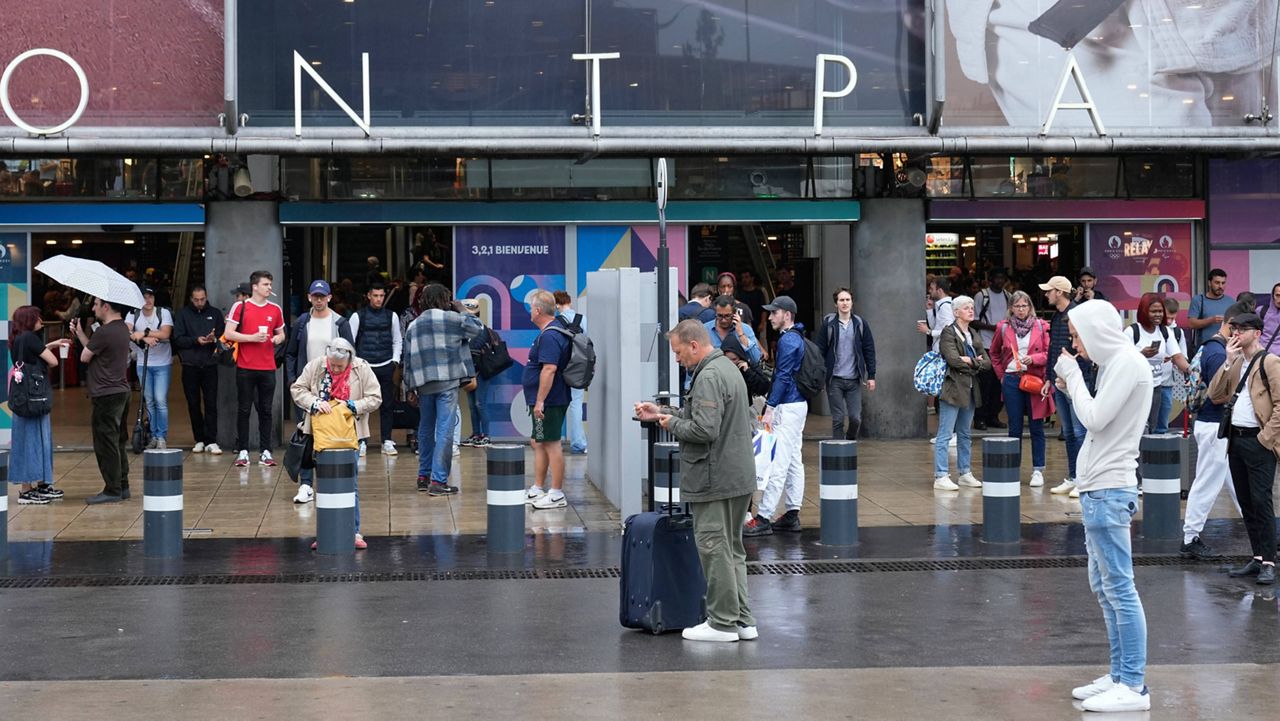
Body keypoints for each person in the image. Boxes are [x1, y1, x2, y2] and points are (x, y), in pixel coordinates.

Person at [1056, 299, 1154, 713]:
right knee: (1106, 587)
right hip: (1101, 490)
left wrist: (1074, 379)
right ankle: (1119, 676)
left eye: (1077, 335)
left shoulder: (1128, 363)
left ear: (1095, 330)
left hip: (1109, 491)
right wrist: (1075, 381)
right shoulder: (1119, 364)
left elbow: (1094, 418)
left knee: (1119, 588)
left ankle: (1132, 684)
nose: (1076, 344)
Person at [635, 319, 757, 643]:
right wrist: (661, 410)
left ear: (693, 345)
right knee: (732, 549)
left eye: (677, 352)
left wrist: (670, 423)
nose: (676, 359)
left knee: (714, 548)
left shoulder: (708, 376)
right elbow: (706, 417)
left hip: (714, 478)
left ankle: (722, 623)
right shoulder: (727, 370)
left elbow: (704, 430)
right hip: (737, 476)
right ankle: (742, 620)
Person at [1208, 311, 1280, 586]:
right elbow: (1215, 395)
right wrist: (1227, 362)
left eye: (1242, 329)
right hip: (1235, 440)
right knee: (1246, 502)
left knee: (1261, 502)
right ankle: (1258, 557)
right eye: (1234, 328)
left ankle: (1270, 562)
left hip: (1258, 441)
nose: (1236, 333)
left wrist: (1266, 439)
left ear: (1257, 333)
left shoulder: (1271, 363)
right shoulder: (1237, 360)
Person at [290, 338, 381, 550]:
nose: (336, 369)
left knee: (351, 483)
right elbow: (298, 389)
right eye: (333, 365)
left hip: (351, 435)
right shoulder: (316, 366)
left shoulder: (361, 368)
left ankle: (353, 531)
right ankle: (327, 532)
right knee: (324, 484)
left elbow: (375, 398)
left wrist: (353, 405)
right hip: (321, 436)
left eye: (340, 366)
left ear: (350, 359)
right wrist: (314, 402)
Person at [403, 283, 482, 496]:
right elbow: (477, 328)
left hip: (424, 384)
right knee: (445, 429)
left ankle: (423, 476)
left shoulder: (414, 325)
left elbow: (407, 360)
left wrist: (409, 387)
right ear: (444, 300)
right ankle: (438, 481)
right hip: (447, 382)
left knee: (426, 428)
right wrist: (462, 309)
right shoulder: (453, 319)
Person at [1181, 305, 1244, 560]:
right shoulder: (1219, 354)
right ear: (1231, 326)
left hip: (1214, 425)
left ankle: (1262, 532)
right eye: (1243, 329)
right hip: (1216, 426)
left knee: (1241, 484)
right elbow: (1219, 396)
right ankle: (1189, 538)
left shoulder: (1210, 347)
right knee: (1207, 482)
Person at [744, 295, 809, 536]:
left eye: (774, 312)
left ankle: (763, 517)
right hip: (796, 405)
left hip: (788, 406)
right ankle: (792, 513)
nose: (770, 317)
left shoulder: (788, 341)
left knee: (780, 462)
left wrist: (770, 408)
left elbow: (782, 376)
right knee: (793, 459)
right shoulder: (795, 338)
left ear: (787, 315)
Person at [72, 298, 133, 504]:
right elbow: (95, 350)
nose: (93, 308)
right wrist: (80, 333)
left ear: (106, 307)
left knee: (105, 443)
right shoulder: (123, 328)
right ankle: (123, 485)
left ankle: (112, 489)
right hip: (121, 390)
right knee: (118, 441)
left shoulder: (104, 332)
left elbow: (85, 357)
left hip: (106, 394)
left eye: (96, 304)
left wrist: (82, 335)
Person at [988, 291, 1052, 487]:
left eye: (1024, 306)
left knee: (1036, 427)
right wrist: (1001, 376)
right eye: (1017, 306)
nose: (1021, 310)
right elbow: (994, 353)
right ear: (1011, 308)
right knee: (1014, 426)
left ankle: (1038, 470)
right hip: (1012, 380)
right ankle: (1013, 468)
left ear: (1030, 306)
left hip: (1034, 379)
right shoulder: (1003, 327)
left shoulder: (1041, 326)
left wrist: (1034, 359)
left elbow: (1050, 353)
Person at [225, 271, 287, 468]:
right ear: (255, 287)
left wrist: (278, 338)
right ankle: (243, 451)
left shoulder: (275, 309)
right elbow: (228, 333)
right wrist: (251, 338)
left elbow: (281, 333)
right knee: (244, 409)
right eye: (266, 284)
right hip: (245, 366)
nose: (270, 287)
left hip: (268, 367)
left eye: (270, 284)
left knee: (266, 410)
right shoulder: (240, 306)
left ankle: (265, 451)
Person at [8, 306, 69, 504]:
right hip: (35, 398)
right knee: (37, 440)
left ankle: (39, 485)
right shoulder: (31, 338)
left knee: (28, 440)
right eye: (37, 317)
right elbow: (52, 362)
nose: (41, 319)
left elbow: (32, 355)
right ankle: (28, 490)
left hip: (23, 398)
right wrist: (51, 349)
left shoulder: (18, 339)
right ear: (29, 320)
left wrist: (51, 344)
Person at [1040, 276, 1094, 498]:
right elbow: (1053, 349)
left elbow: (1085, 350)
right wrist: (1049, 378)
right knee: (1070, 432)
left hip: (1077, 381)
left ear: (1059, 292)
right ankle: (1073, 476)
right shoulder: (1056, 317)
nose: (1046, 295)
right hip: (1060, 381)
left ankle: (1083, 478)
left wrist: (1070, 374)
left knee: (1080, 432)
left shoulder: (1078, 314)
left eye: (1049, 291)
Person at [931, 295, 992, 491]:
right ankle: (941, 475)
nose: (971, 310)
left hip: (970, 389)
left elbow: (987, 363)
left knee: (965, 433)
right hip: (952, 389)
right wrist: (974, 361)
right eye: (966, 308)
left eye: (971, 307)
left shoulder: (973, 333)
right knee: (945, 433)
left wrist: (970, 361)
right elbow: (953, 360)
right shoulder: (949, 333)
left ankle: (965, 472)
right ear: (956, 312)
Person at [521, 290, 573, 509]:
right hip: (545, 400)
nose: (530, 312)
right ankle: (538, 488)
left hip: (550, 401)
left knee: (551, 444)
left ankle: (557, 493)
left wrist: (540, 401)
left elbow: (549, 369)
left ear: (538, 310)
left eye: (532, 308)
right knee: (540, 441)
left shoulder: (551, 335)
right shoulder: (550, 332)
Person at [347, 282, 402, 456]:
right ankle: (361, 441)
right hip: (364, 366)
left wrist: (395, 360)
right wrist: (355, 363)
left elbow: (397, 339)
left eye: (381, 296)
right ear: (369, 296)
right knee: (362, 406)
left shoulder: (391, 316)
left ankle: (387, 440)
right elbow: (350, 341)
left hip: (386, 364)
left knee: (387, 405)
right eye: (375, 295)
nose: (379, 299)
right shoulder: (358, 316)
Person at [814, 287, 876, 441]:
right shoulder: (829, 324)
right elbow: (819, 351)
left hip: (854, 379)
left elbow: (869, 350)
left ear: (852, 302)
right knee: (838, 419)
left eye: (847, 299)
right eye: (841, 300)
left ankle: (848, 441)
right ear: (836, 304)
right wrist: (819, 375)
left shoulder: (860, 324)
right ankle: (838, 453)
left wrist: (871, 375)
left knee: (855, 418)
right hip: (834, 379)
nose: (845, 303)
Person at [172, 286, 223, 454]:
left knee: (211, 403)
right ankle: (199, 438)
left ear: (206, 297)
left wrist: (213, 338)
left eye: (202, 299)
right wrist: (196, 340)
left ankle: (211, 439)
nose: (200, 302)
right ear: (191, 299)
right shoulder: (183, 314)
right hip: (190, 365)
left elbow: (224, 337)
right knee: (193, 404)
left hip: (210, 364)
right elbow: (177, 339)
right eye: (196, 299)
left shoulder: (215, 313)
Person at [1130, 292, 1190, 434]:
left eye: (1160, 311)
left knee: (1154, 427)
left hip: (1157, 387)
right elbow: (1121, 360)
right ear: (1144, 312)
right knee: (1136, 428)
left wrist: (1192, 371)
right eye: (1153, 311)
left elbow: (1178, 357)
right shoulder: (1133, 331)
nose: (1158, 315)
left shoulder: (1165, 332)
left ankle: (1151, 456)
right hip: (1136, 388)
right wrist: (1141, 355)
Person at [124, 287, 174, 450]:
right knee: (150, 401)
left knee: (160, 400)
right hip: (143, 362)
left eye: (150, 296)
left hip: (162, 363)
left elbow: (165, 333)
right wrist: (146, 338)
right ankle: (153, 434)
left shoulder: (163, 312)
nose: (148, 300)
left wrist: (143, 333)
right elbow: (127, 331)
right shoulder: (133, 313)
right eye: (144, 297)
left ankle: (162, 436)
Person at [972, 269, 1011, 430]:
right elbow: (973, 321)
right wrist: (993, 327)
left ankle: (993, 416)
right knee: (984, 384)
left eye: (1002, 278)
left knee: (999, 384)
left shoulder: (1008, 296)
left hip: (1003, 346)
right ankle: (980, 417)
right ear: (991, 280)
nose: (1000, 281)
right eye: (997, 278)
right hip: (985, 345)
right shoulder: (982, 296)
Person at [553, 290, 588, 455]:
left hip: (559, 367)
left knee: (556, 404)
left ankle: (553, 441)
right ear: (570, 302)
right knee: (576, 405)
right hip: (578, 367)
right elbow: (587, 342)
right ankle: (578, 443)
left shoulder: (556, 321)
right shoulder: (582, 319)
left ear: (556, 304)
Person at [460, 299, 492, 447]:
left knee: (480, 404)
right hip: (470, 371)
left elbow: (475, 350)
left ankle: (486, 435)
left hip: (481, 371)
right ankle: (476, 434)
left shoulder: (480, 329)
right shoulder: (465, 330)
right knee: (472, 405)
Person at [703, 295, 763, 366]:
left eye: (727, 316)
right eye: (720, 316)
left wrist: (741, 334)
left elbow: (756, 359)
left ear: (734, 314)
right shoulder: (705, 329)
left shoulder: (745, 329)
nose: (723, 320)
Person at [1187, 269, 1231, 353]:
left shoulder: (1231, 302)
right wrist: (1211, 320)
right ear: (1209, 283)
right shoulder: (1198, 300)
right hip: (1203, 350)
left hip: (1226, 350)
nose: (1220, 286)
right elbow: (1191, 323)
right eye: (1217, 283)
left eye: (1223, 283)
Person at [917, 277, 953, 353]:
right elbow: (936, 327)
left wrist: (928, 331)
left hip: (943, 352)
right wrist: (929, 309)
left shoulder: (945, 307)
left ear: (939, 291)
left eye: (932, 289)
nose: (929, 291)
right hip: (939, 350)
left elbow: (948, 332)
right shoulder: (941, 305)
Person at [1256, 282, 1280, 354]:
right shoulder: (1261, 311)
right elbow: (1253, 334)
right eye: (1278, 295)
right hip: (1262, 355)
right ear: (1272, 296)